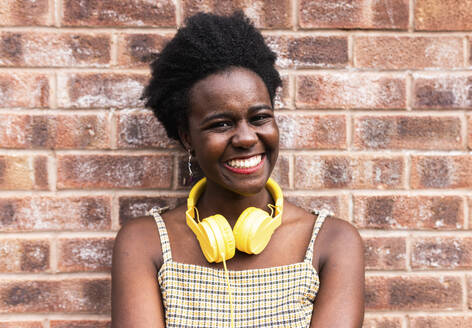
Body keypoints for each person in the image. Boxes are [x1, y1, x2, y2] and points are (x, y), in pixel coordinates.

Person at [111, 11, 364, 328]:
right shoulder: (144, 242)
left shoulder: (333, 242)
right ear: (187, 137)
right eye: (221, 124)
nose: (246, 137)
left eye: (259, 117)